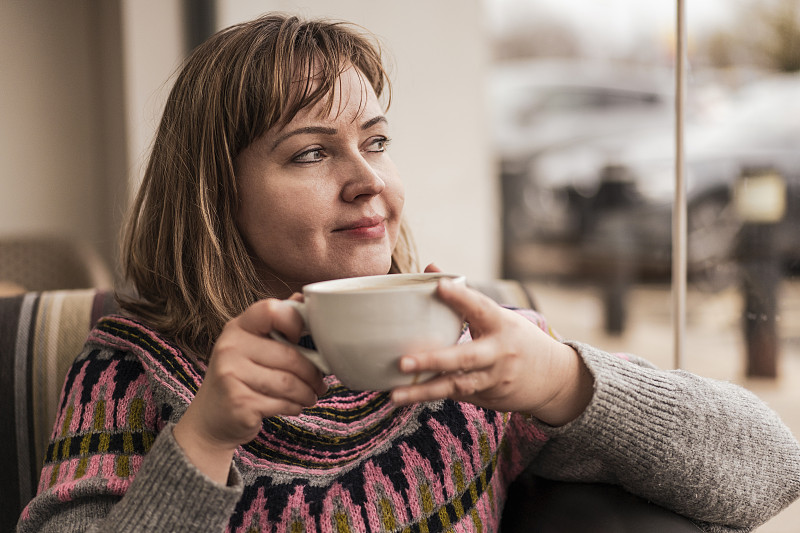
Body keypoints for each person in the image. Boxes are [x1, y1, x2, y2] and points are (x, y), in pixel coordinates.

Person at [17, 13, 800, 533]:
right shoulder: (131, 369)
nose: (373, 184)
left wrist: (564, 379)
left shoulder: (475, 348)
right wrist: (205, 437)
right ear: (215, 191)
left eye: (377, 142)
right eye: (313, 152)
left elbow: (771, 470)